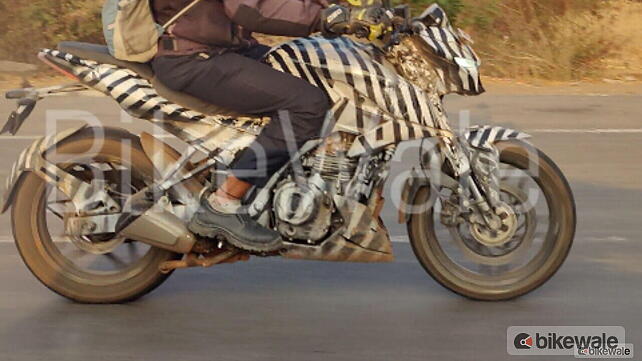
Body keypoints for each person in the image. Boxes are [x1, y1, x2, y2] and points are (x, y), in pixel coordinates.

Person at [151, 0, 353, 252]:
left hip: (225, 49)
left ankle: (299, 178)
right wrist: (320, 18)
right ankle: (223, 203)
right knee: (306, 105)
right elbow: (249, 9)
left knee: (320, 71)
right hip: (192, 58)